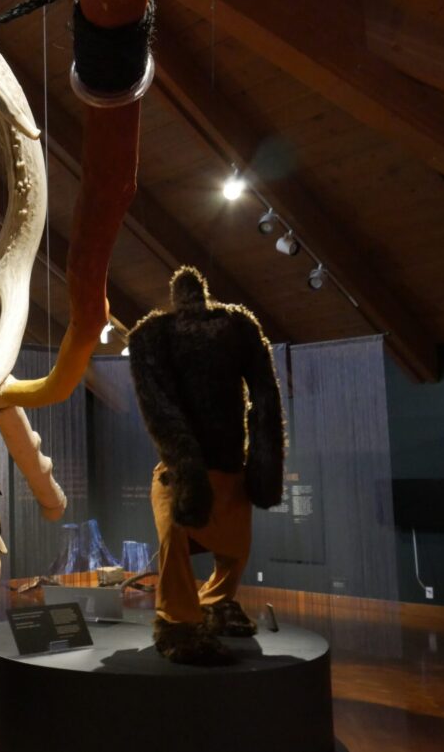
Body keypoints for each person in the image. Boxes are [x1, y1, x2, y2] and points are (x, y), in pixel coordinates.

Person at [128, 266, 284, 664]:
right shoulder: (156, 335)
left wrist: (263, 465)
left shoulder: (236, 327)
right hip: (180, 469)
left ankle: (215, 602)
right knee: (173, 541)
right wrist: (186, 465)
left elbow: (265, 394)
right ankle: (178, 623)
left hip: (226, 465)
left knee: (236, 546)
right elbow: (159, 408)